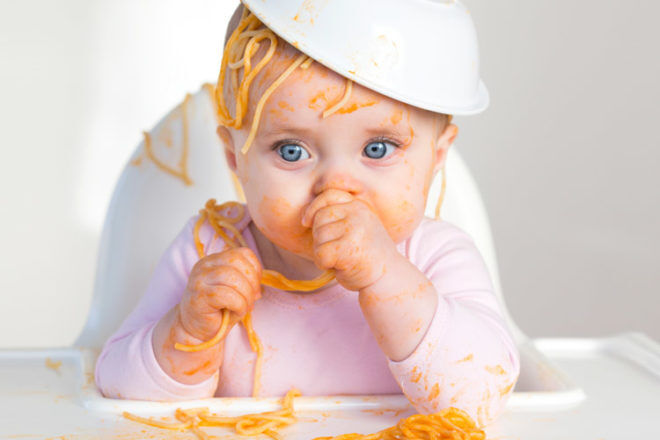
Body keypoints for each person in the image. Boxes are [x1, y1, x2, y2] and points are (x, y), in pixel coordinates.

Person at [96, 2, 519, 427]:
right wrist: (187, 333)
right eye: (291, 151)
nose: (335, 185)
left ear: (437, 155)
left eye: (377, 149)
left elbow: (481, 393)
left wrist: (385, 275)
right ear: (235, 159)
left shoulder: (435, 256)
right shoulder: (209, 248)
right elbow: (118, 387)